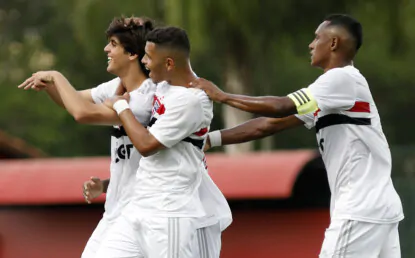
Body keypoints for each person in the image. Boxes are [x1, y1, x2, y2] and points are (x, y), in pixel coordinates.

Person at [192, 14, 403, 258]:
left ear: (333, 43)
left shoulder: (341, 79)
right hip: (380, 207)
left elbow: (281, 106)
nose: (311, 45)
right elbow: (268, 125)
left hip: (360, 208)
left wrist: (222, 96)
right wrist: (211, 139)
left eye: (317, 38)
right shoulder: (334, 92)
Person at [18, 16, 157, 258]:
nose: (106, 49)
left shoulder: (144, 99)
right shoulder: (117, 85)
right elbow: (69, 100)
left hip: (141, 213)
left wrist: (57, 76)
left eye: (113, 44)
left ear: (133, 54)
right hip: (115, 209)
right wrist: (50, 85)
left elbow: (82, 113)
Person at [96, 26, 231, 258]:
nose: (144, 62)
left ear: (169, 63)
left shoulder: (191, 101)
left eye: (148, 57)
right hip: (138, 205)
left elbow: (146, 145)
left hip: (169, 212)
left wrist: (120, 106)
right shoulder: (165, 82)